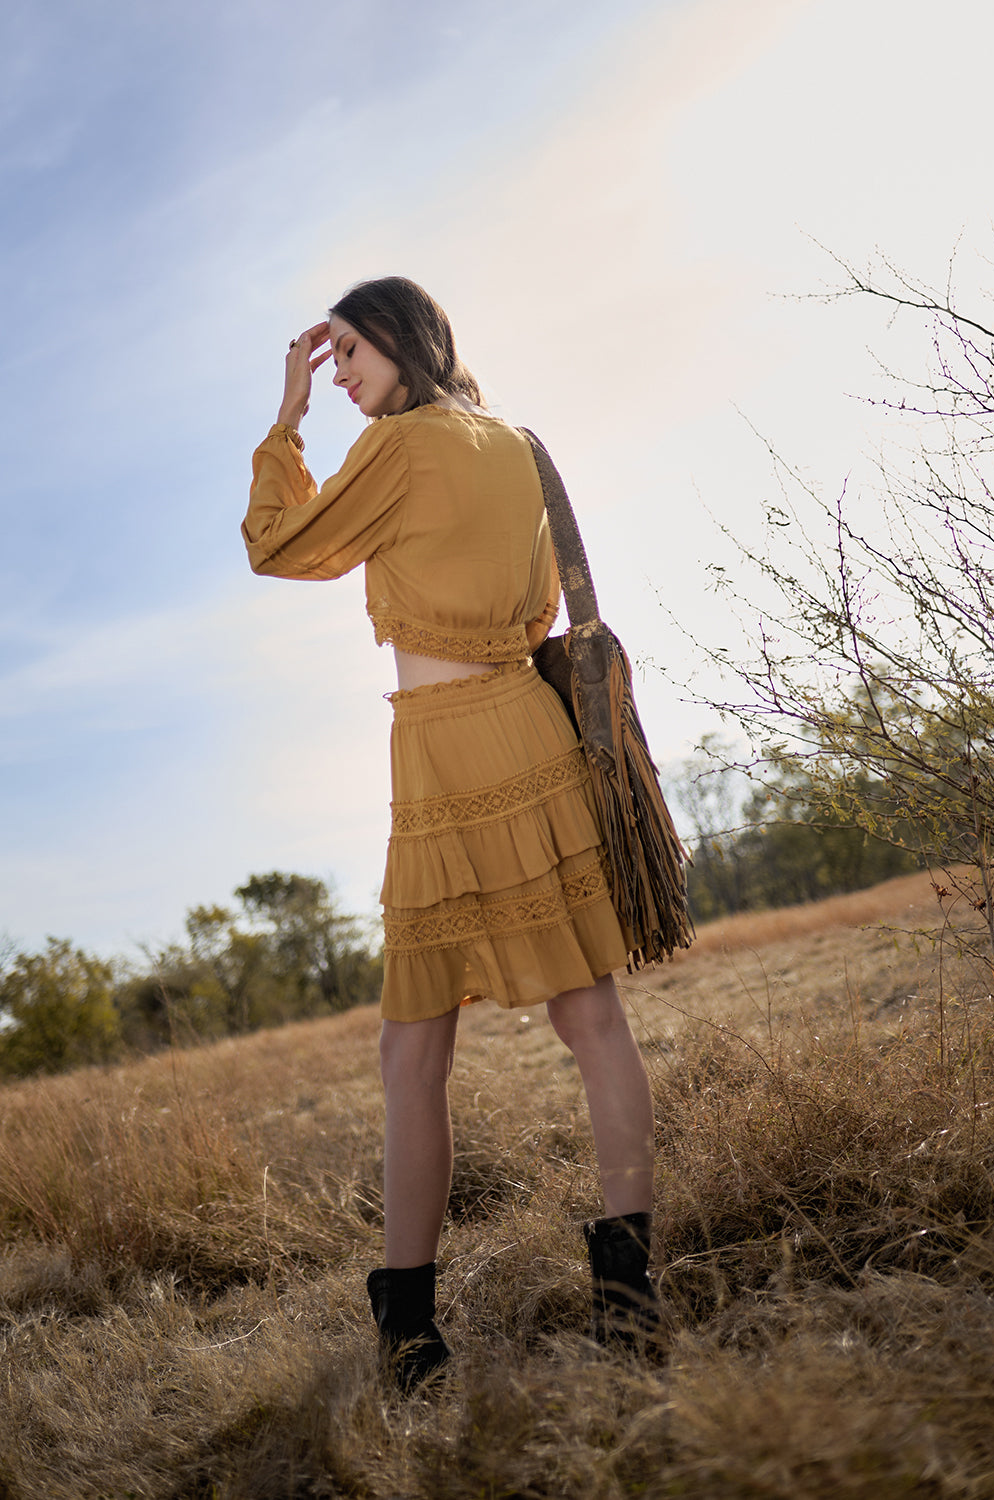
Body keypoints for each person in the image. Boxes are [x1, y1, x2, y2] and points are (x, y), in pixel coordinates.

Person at [242, 277, 660, 1391]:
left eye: (345, 353)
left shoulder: (400, 443)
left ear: (401, 337)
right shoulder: (512, 443)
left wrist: (283, 420)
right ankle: (630, 1299)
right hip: (529, 734)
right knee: (594, 1021)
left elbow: (281, 546)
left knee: (411, 1048)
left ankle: (411, 1331)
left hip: (442, 748)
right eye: (324, 365)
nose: (338, 376)